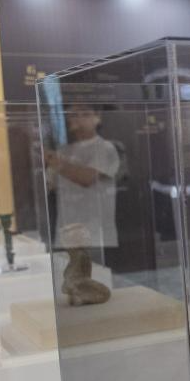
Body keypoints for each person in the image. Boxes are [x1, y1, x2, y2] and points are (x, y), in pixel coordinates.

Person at [46, 103, 119, 305]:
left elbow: (87, 178)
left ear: (97, 118)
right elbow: (50, 185)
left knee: (90, 269)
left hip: (94, 228)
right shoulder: (64, 150)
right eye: (73, 114)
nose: (77, 118)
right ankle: (78, 294)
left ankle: (88, 295)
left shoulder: (105, 148)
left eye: (85, 113)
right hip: (68, 227)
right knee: (73, 271)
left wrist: (55, 162)